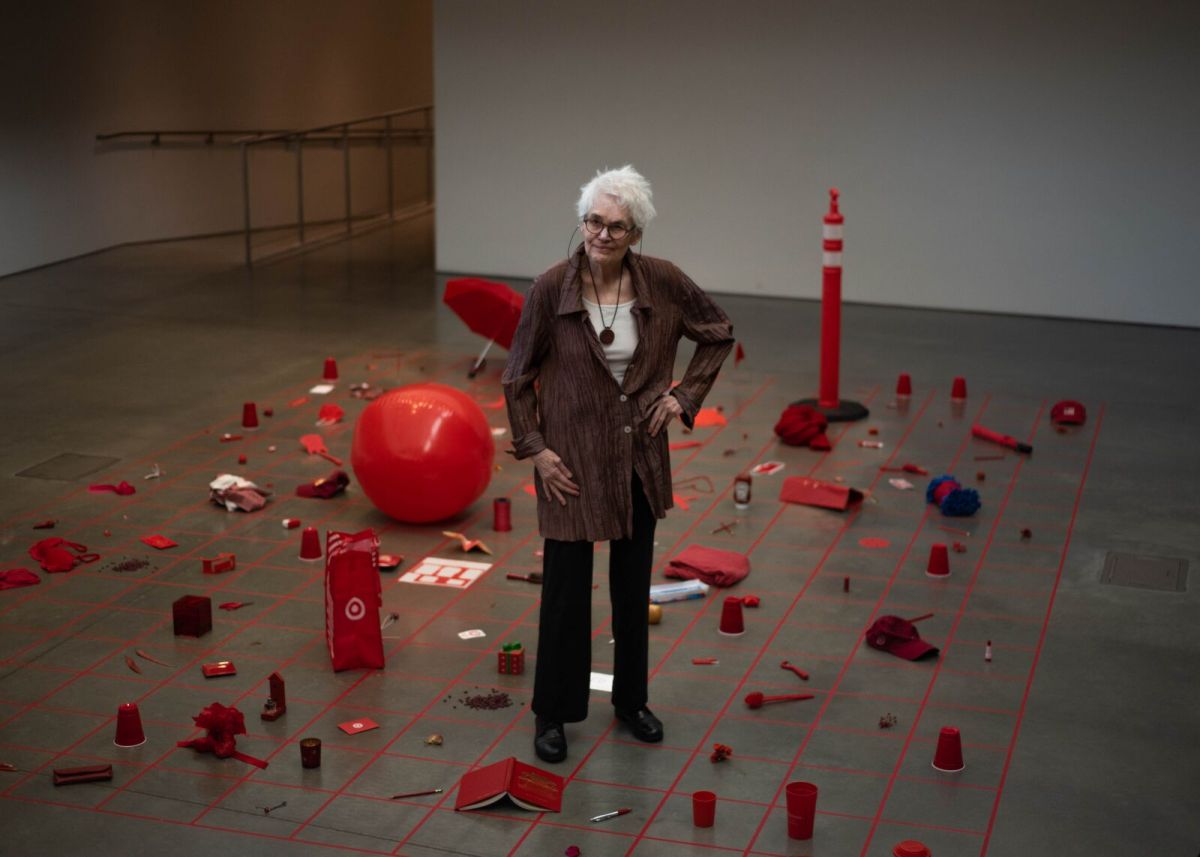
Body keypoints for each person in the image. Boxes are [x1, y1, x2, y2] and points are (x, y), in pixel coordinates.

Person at [503, 165, 734, 763]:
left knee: (632, 591)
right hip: (570, 464)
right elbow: (517, 376)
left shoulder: (663, 282)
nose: (602, 234)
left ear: (636, 234)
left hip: (637, 459)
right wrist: (537, 449)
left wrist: (683, 396)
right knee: (564, 595)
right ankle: (552, 713)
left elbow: (716, 332)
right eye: (593, 221)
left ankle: (631, 701)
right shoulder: (551, 287)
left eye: (617, 226)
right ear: (582, 222)